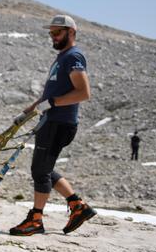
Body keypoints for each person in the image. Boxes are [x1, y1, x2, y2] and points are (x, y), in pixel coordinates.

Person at [10, 15, 96, 236]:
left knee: (40, 170)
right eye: (51, 33)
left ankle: (36, 219)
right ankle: (77, 206)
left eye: (57, 32)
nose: (53, 37)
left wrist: (54, 103)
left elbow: (83, 93)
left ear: (71, 33)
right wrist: (28, 111)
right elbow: (51, 93)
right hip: (52, 120)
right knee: (44, 168)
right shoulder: (62, 58)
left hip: (59, 122)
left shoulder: (73, 56)